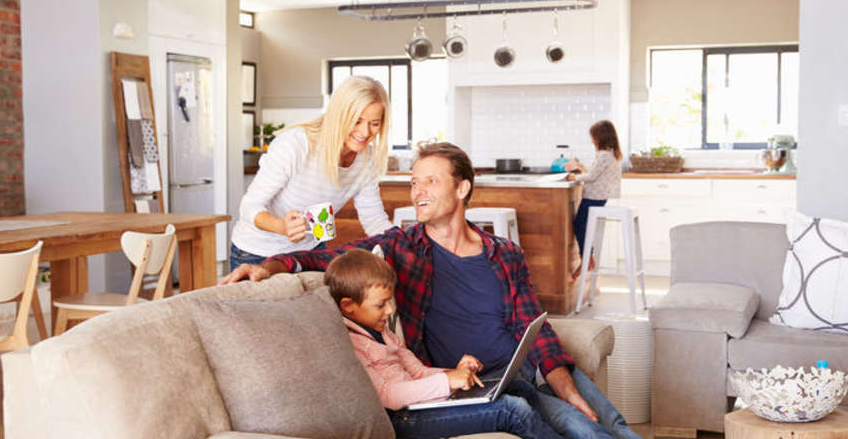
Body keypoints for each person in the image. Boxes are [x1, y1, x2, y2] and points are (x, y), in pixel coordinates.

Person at [223, 142, 640, 439]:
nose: (417, 192)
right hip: (479, 382)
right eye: (414, 182)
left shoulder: (505, 253)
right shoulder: (402, 248)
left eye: (430, 181)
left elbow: (536, 328)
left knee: (611, 423)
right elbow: (330, 257)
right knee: (582, 429)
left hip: (527, 368)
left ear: (461, 189)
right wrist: (271, 265)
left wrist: (566, 387)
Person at [325, 249, 565, 439]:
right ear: (348, 306)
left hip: (419, 405)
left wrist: (455, 374)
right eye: (381, 305)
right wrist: (447, 382)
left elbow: (419, 372)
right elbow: (388, 396)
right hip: (401, 420)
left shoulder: (383, 333)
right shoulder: (350, 345)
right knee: (511, 409)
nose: (389, 311)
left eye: (390, 302)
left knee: (519, 387)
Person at [229, 76, 394, 270]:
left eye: (374, 123)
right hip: (258, 253)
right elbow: (249, 206)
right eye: (356, 121)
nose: (365, 132)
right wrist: (281, 227)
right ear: (339, 116)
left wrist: (403, 242)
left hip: (310, 253)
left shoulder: (367, 159)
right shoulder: (296, 144)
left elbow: (373, 218)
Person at [565, 120, 622, 277]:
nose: (592, 141)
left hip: (593, 197)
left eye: (593, 137)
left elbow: (591, 177)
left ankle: (586, 259)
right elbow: (596, 172)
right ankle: (588, 259)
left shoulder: (603, 155)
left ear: (600, 137)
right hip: (599, 197)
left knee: (579, 225)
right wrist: (581, 167)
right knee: (583, 226)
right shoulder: (611, 154)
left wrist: (575, 177)